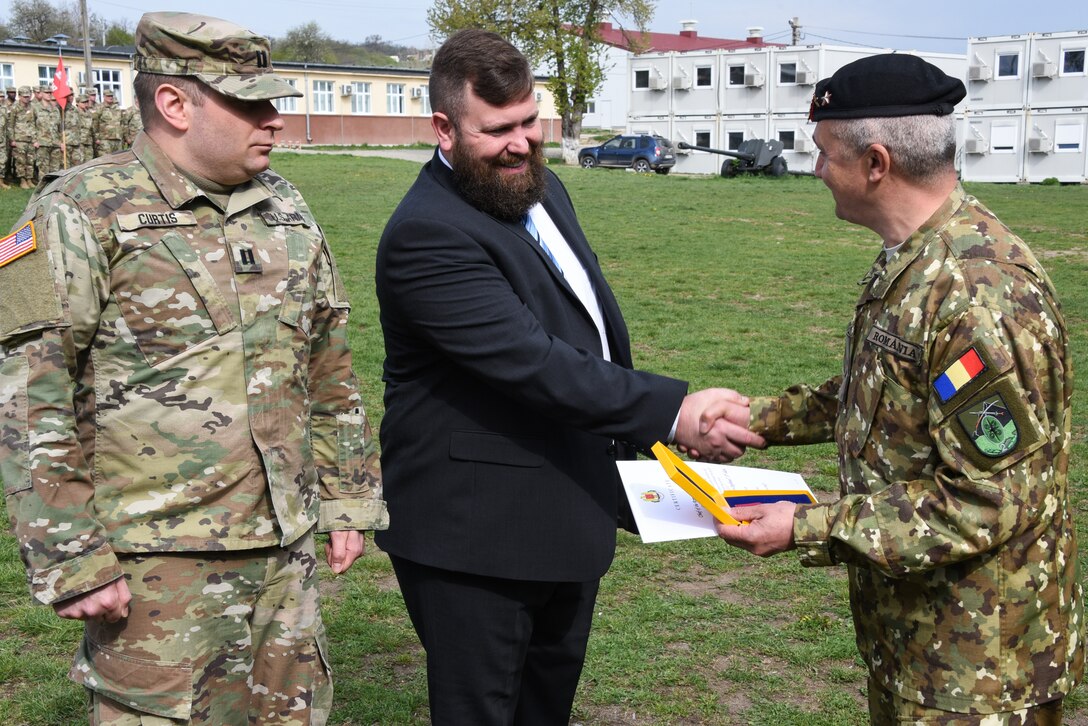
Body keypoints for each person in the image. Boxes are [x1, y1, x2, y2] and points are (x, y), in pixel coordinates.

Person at [0, 11, 387, 725]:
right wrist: (71, 558)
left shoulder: (287, 209)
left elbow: (329, 361)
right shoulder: (78, 209)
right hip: (156, 563)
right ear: (175, 104)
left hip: (284, 553)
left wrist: (348, 497)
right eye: (249, 102)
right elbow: (30, 395)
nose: (273, 119)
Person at [375, 28, 759, 725]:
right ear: (444, 128)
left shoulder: (538, 193)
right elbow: (533, 361)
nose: (522, 143)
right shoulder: (426, 233)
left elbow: (587, 335)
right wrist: (673, 411)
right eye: (497, 130)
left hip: (566, 512)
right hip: (476, 540)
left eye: (530, 121)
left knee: (543, 710)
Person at [712, 54, 1083, 724]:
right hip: (922, 647)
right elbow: (884, 387)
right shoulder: (917, 256)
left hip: (978, 672)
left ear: (875, 163)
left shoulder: (976, 297)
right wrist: (759, 417)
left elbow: (986, 502)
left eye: (823, 153)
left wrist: (805, 524)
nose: (816, 169)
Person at [9, 85, 37, 188]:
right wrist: (12, 139)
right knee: (21, 161)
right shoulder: (14, 107)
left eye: (28, 96)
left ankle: (29, 179)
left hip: (30, 138)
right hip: (19, 139)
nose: (27, 98)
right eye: (25, 97)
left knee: (30, 160)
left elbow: (33, 122)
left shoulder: (32, 107)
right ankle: (22, 180)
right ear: (19, 96)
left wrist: (35, 139)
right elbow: (10, 125)